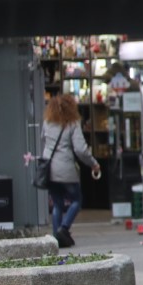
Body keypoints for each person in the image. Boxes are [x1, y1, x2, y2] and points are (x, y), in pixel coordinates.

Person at [40, 94, 101, 248]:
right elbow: (80, 149)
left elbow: (43, 140)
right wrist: (93, 163)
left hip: (49, 169)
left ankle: (56, 239)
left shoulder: (47, 122)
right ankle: (64, 228)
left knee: (58, 204)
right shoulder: (73, 123)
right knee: (76, 200)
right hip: (65, 169)